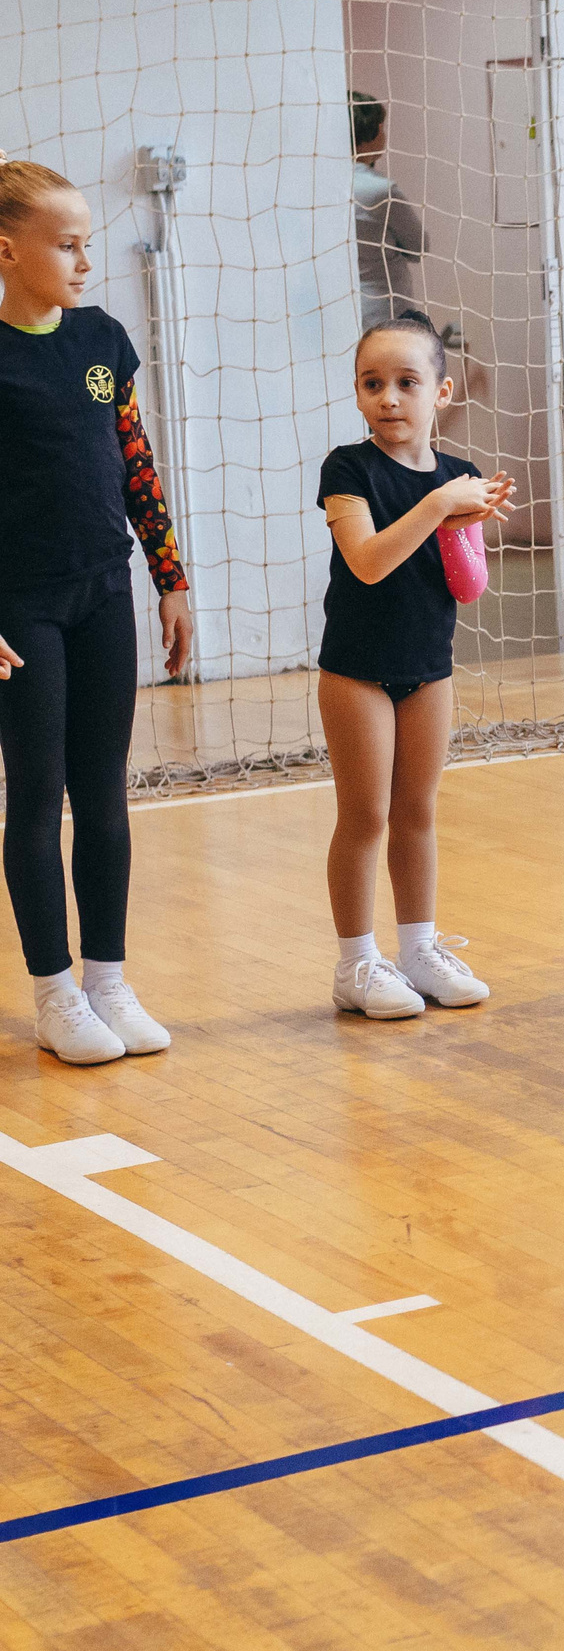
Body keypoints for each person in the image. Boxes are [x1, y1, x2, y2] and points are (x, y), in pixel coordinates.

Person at [0, 154, 194, 1065]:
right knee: (37, 797)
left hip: (101, 591)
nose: (85, 261)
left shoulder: (103, 339)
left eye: (87, 244)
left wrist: (170, 576)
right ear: (8, 250)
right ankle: (56, 992)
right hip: (20, 609)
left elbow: (135, 458)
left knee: (105, 792)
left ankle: (110, 981)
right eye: (67, 245)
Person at [316, 311, 509, 1020]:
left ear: (443, 392)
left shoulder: (459, 476)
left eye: (406, 382)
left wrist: (467, 527)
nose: (389, 397)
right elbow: (366, 562)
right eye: (373, 383)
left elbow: (467, 588)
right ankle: (356, 962)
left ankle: (420, 948)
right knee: (365, 815)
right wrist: (438, 508)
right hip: (357, 672)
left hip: (430, 667)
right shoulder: (348, 468)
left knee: (417, 812)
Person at [350, 91, 428, 330]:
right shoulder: (381, 191)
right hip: (384, 309)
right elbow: (419, 246)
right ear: (371, 132)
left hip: (341, 308)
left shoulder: (320, 186)